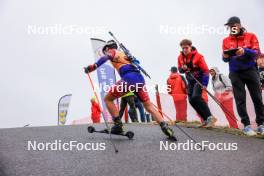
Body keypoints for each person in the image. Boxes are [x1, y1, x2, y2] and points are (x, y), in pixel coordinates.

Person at [84, 40, 175, 139]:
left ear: (107, 48)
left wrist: (93, 67)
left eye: (104, 50)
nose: (105, 52)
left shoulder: (112, 51)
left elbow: (106, 57)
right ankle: (165, 127)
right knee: (148, 106)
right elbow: (136, 63)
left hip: (129, 79)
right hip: (140, 79)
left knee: (108, 99)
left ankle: (118, 126)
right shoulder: (125, 54)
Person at [222, 16, 264, 136]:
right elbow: (224, 59)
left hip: (250, 70)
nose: (231, 28)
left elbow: (257, 53)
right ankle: (246, 125)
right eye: (229, 27)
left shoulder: (251, 36)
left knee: (257, 97)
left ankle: (261, 124)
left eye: (233, 26)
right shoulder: (225, 41)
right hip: (235, 73)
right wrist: (224, 57)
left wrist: (245, 51)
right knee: (240, 99)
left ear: (239, 25)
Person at [178, 39, 217, 128]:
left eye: (186, 48)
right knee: (191, 100)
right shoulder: (180, 57)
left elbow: (206, 71)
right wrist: (183, 68)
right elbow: (180, 70)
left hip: (199, 80)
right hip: (190, 80)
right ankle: (205, 120)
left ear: (190, 47)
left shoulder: (199, 56)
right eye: (183, 48)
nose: (184, 50)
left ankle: (211, 118)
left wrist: (204, 84)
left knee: (196, 97)